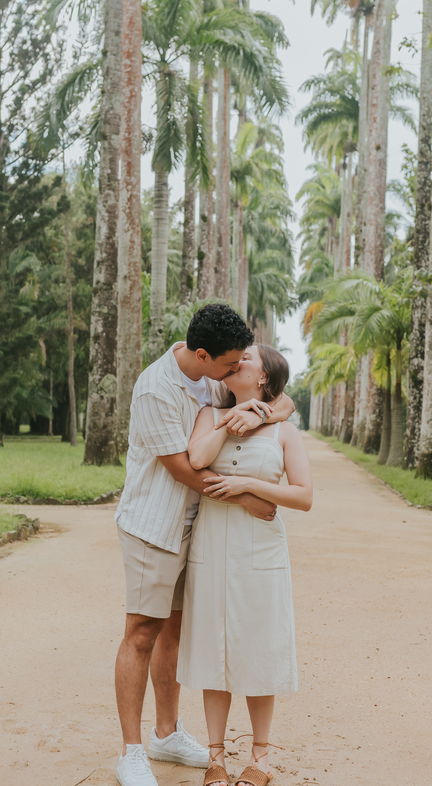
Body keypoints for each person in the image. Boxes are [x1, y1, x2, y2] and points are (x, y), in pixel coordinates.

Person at [113, 304, 295, 786]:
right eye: (231, 364)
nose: (236, 370)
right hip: (154, 525)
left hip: (195, 529)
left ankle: (166, 733)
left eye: (240, 363)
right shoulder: (155, 389)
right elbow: (182, 467)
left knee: (173, 632)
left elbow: (282, 400)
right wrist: (247, 497)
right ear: (202, 355)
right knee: (142, 632)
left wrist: (266, 412)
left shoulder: (213, 378)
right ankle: (132, 751)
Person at [180, 344, 313, 786]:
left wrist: (248, 485)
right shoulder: (209, 414)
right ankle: (215, 757)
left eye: (248, 358)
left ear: (263, 377)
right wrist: (229, 420)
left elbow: (303, 496)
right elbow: (197, 460)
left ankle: (261, 758)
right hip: (211, 546)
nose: (237, 361)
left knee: (259, 648)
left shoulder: (284, 432)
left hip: (261, 549)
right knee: (213, 650)